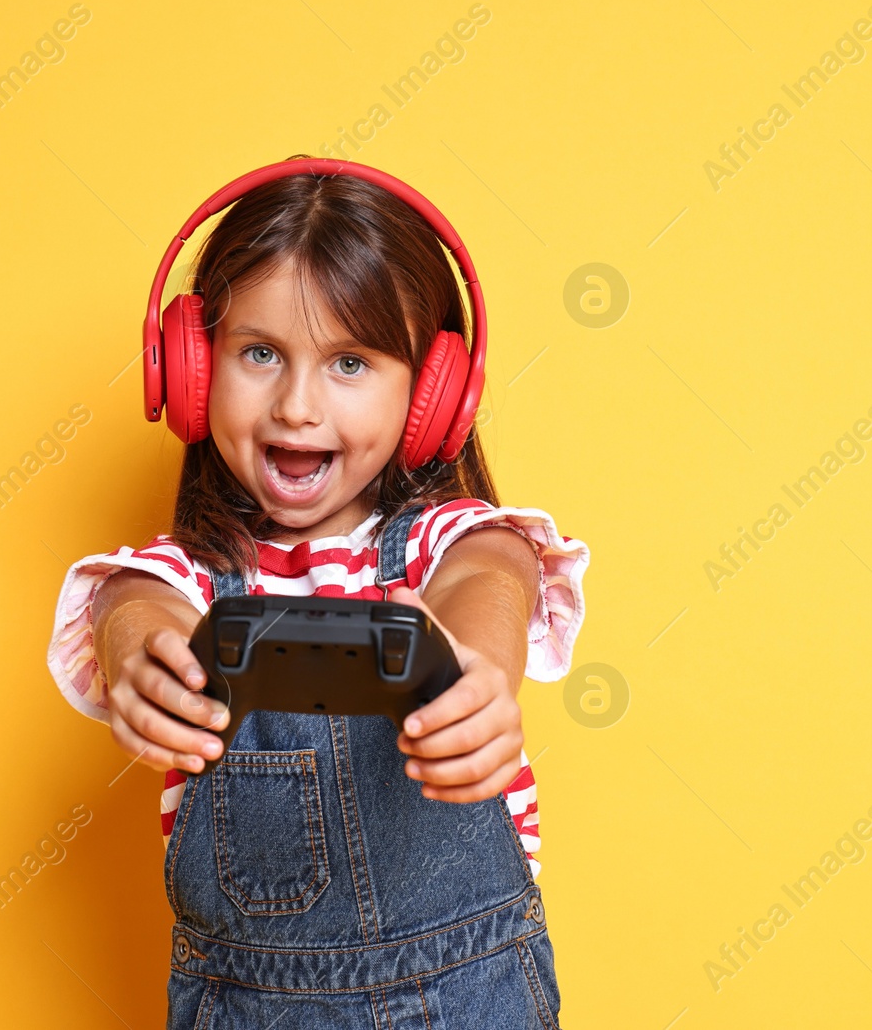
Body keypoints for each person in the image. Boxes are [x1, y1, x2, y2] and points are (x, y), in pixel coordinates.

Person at [43, 157, 590, 1027]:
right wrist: (137, 658)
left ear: (434, 397)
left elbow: (491, 568)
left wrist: (477, 665)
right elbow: (137, 604)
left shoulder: (442, 545)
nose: (297, 405)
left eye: (350, 363)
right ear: (189, 371)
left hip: (468, 997)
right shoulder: (197, 578)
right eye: (259, 353)